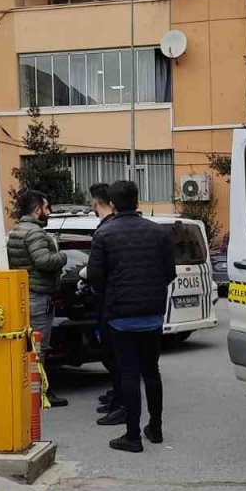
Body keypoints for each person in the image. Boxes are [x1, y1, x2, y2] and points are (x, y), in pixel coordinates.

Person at [87, 180, 175, 452]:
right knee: (152, 372)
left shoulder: (104, 235)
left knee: (128, 374)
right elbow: (170, 272)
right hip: (152, 315)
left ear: (112, 204)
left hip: (120, 316)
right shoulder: (158, 232)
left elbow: (94, 277)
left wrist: (112, 293)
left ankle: (133, 436)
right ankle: (156, 428)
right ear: (137, 201)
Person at [7, 190, 70, 408]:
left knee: (28, 346)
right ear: (37, 210)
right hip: (39, 295)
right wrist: (62, 257)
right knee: (38, 348)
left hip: (26, 293)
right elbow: (43, 261)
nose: (48, 211)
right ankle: (40, 391)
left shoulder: (16, 230)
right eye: (46, 207)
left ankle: (31, 389)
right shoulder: (35, 233)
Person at [88, 183, 126, 426]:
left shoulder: (106, 229)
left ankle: (122, 401)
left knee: (116, 356)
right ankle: (119, 396)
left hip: (111, 303)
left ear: (96, 202)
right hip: (121, 302)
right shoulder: (114, 226)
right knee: (117, 357)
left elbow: (96, 272)